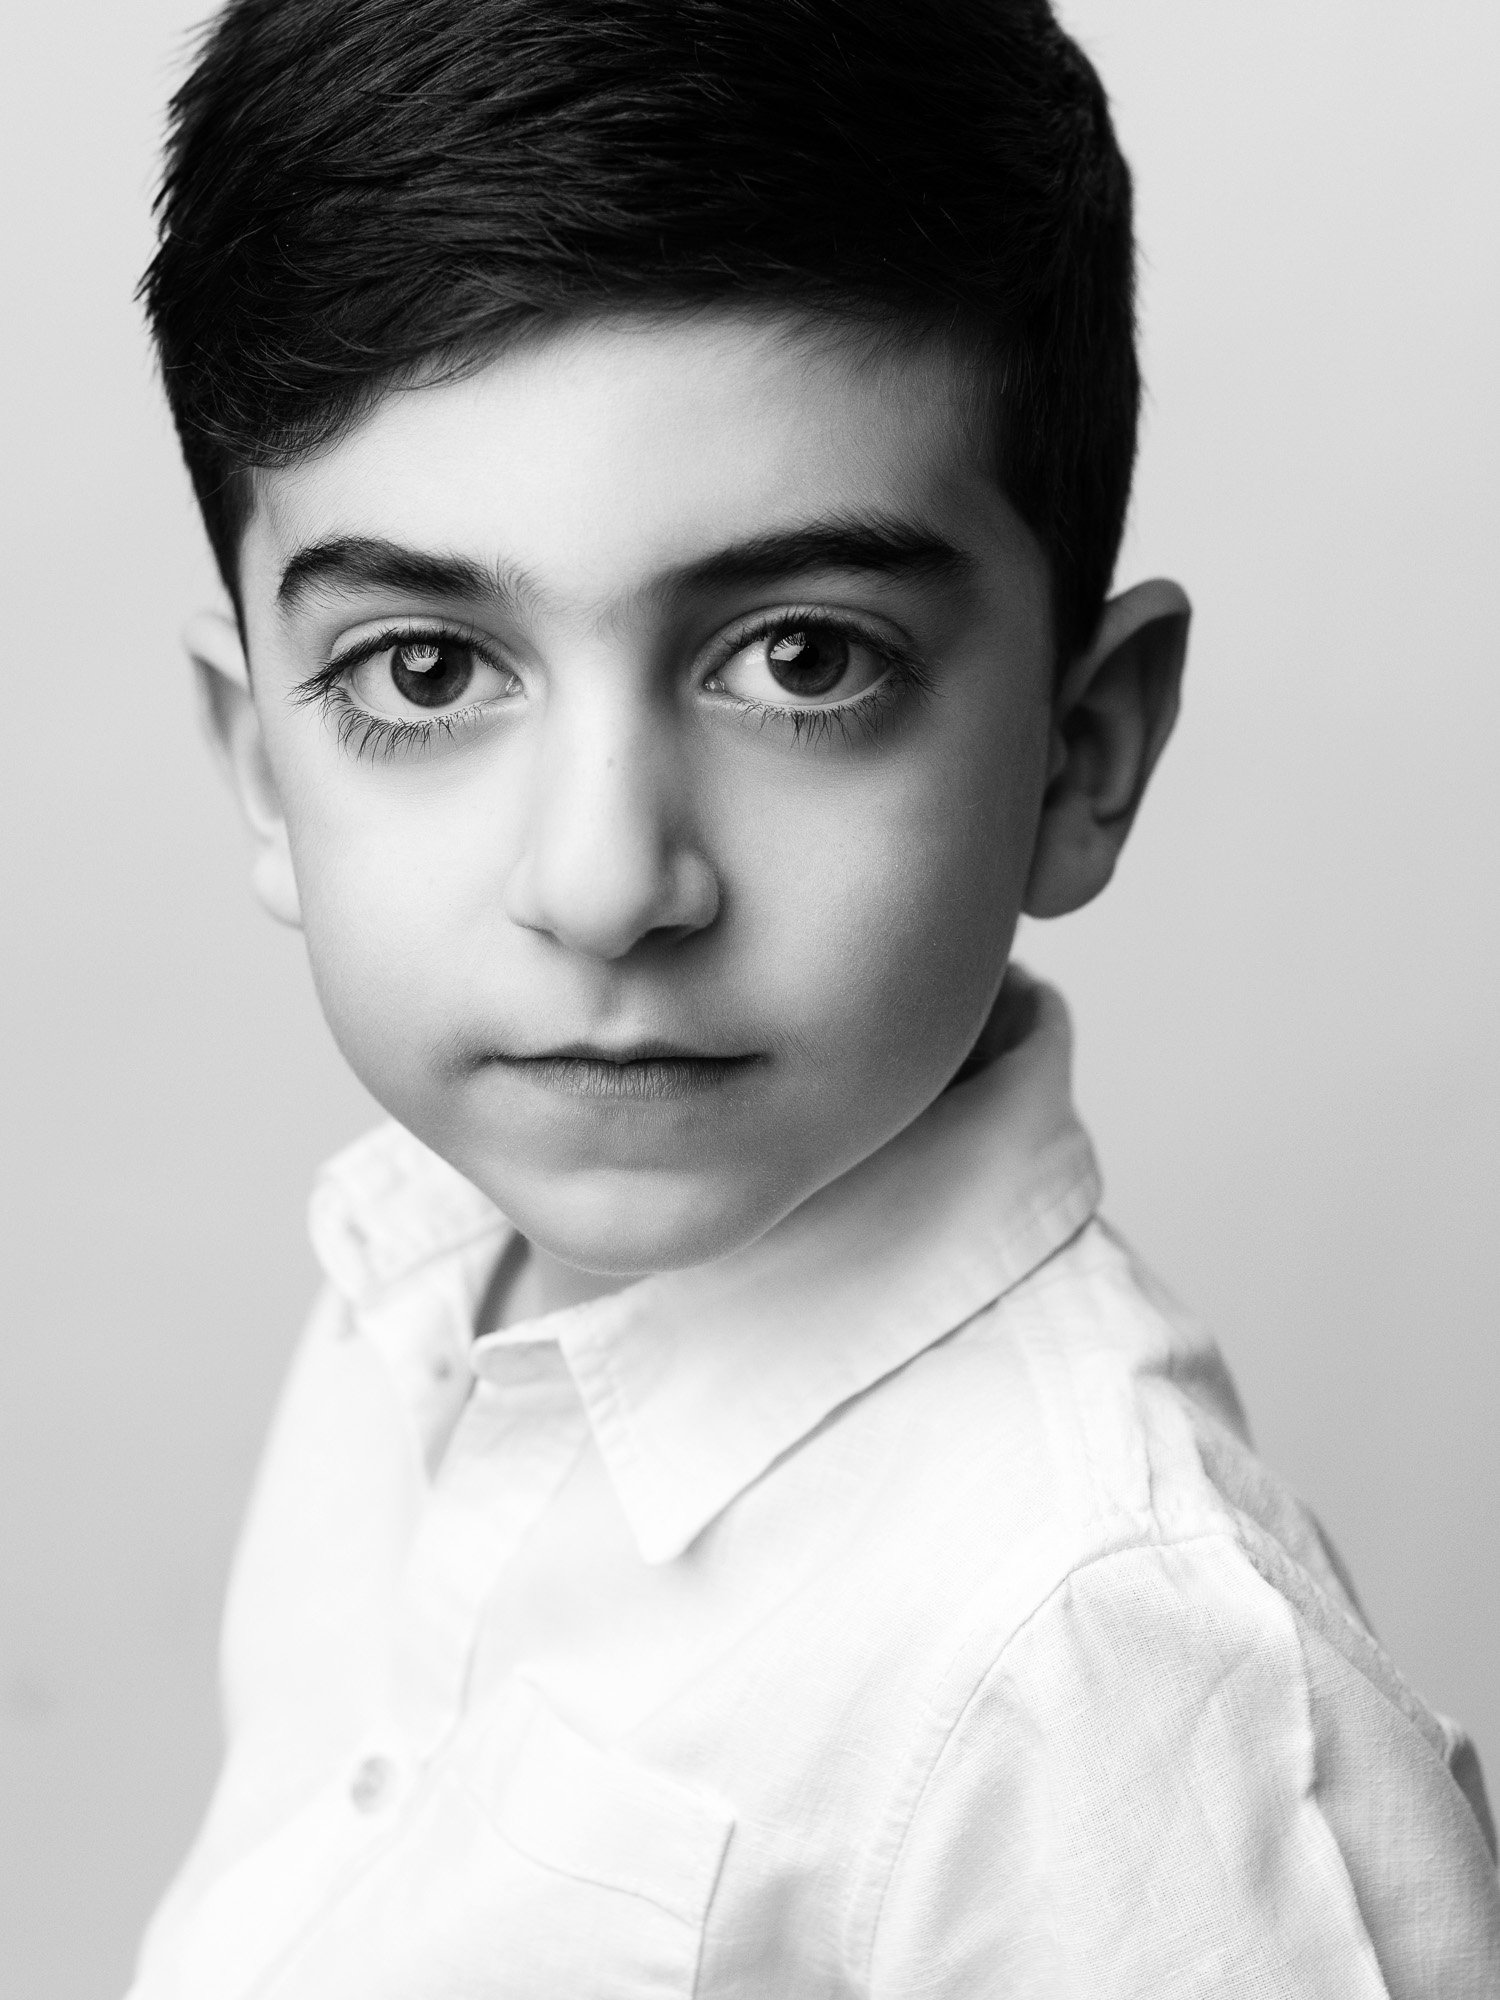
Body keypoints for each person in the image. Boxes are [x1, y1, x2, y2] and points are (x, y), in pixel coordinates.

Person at [129, 1, 1500, 1993]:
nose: (606, 881)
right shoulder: (403, 1289)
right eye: (427, 672)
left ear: (1080, 750)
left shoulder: (1091, 1666)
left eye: (799, 659)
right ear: (266, 762)